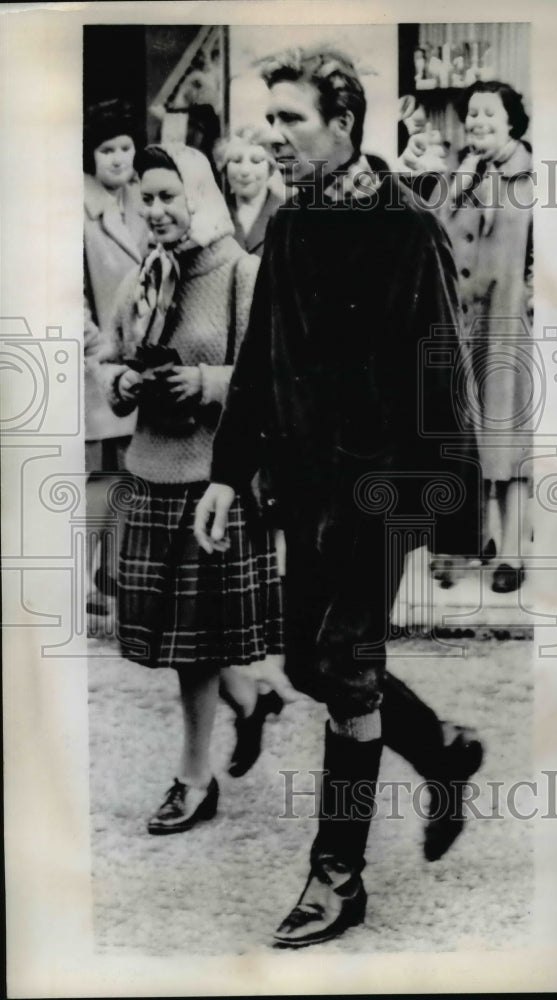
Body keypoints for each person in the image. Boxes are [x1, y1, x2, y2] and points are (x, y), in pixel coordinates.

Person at [195, 47, 484, 948]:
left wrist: (446, 517)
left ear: (346, 122)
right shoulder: (289, 226)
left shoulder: (408, 228)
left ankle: (337, 876)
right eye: (269, 120)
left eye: (291, 120)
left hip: (384, 489)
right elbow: (258, 363)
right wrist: (226, 474)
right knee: (307, 664)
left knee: (346, 666)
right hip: (304, 490)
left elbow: (446, 374)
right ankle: (443, 754)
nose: (273, 137)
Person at [97, 143, 285, 833]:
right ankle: (251, 697)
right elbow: (109, 356)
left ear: (198, 197)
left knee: (194, 648)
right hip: (151, 475)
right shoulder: (146, 273)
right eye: (146, 198)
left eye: (168, 196)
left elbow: (269, 375)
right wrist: (120, 382)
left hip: (213, 484)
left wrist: (204, 382)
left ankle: (193, 778)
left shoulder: (241, 271)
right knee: (185, 641)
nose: (156, 210)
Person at [439, 81, 534, 593]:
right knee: (464, 438)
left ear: (512, 122)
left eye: (488, 114)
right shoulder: (461, 176)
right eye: (471, 114)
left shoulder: (535, 177)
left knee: (509, 440)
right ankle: (474, 541)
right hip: (462, 326)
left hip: (511, 325)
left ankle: (514, 554)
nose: (476, 122)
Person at [83, 99, 150, 617]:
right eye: (107, 149)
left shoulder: (144, 201)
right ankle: (87, 577)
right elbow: (69, 291)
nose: (118, 158)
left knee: (130, 470)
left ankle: (116, 572)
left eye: (125, 147)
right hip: (97, 358)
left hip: (139, 354)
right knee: (100, 474)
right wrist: (92, 344)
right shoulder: (76, 210)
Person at [215, 125, 284, 258]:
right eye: (236, 160)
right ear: (224, 168)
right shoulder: (214, 212)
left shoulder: (287, 213)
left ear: (270, 168)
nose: (245, 171)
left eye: (256, 161)